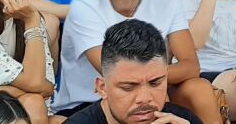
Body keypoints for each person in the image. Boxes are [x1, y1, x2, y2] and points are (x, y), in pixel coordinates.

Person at [54, 0, 219, 123]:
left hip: (144, 94)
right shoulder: (85, 6)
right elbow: (116, 75)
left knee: (199, 89)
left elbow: (191, 66)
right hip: (90, 101)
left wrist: (153, 81)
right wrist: (153, 80)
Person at [64, 19, 202, 124]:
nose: (144, 98)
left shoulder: (182, 120)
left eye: (155, 83)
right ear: (102, 88)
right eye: (128, 88)